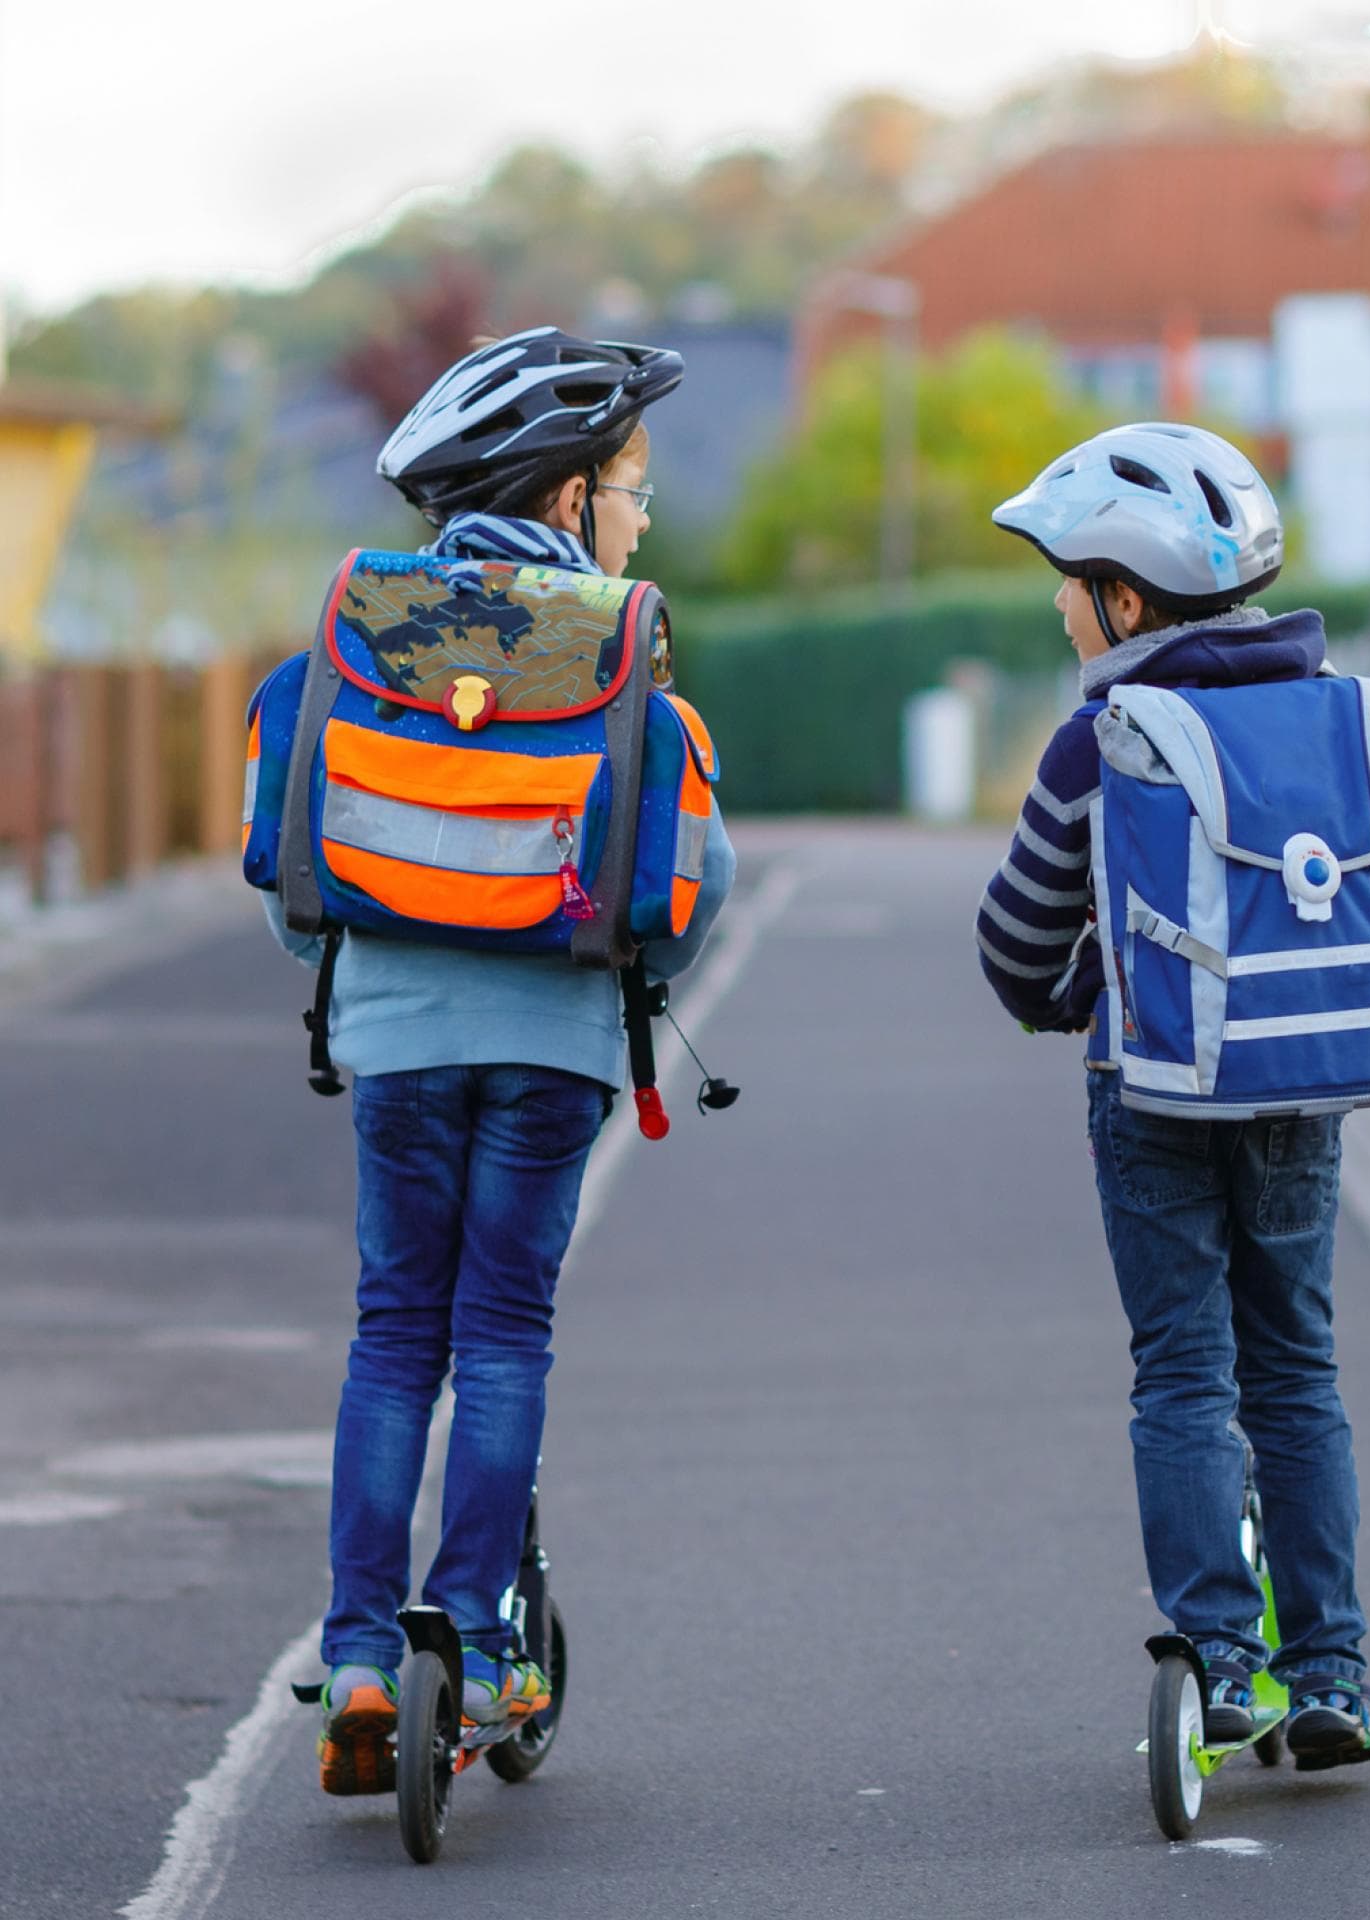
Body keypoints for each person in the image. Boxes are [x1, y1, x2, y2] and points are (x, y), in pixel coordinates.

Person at [266, 327, 736, 1795]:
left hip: (396, 1043)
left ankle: (354, 1650)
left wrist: (371, 977)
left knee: (393, 1328)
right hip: (550, 1044)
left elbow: (282, 859)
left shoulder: (357, 640)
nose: (643, 516)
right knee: (504, 1336)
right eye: (631, 484)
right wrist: (629, 979)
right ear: (564, 499)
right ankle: (469, 1640)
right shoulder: (612, 656)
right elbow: (692, 884)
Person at [975, 423, 1370, 1769]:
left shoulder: (1103, 736)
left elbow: (1017, 940)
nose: (1058, 600)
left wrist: (1065, 996)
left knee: (1185, 1375)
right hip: (1301, 1084)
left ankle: (1221, 1661)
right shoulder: (1331, 707)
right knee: (1298, 1368)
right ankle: (1332, 1668)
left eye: (1070, 577)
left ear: (1128, 601)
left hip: (1150, 1087)